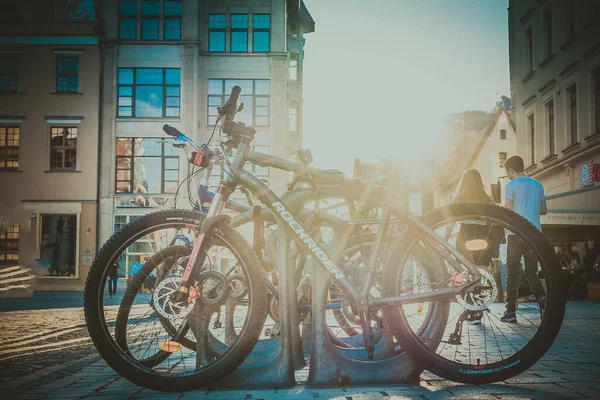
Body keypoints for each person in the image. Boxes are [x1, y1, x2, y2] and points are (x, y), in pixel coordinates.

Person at [453, 169, 505, 325]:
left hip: (464, 238)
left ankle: (469, 310)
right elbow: (497, 219)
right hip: (483, 239)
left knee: (468, 277)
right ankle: (478, 312)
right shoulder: (487, 199)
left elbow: (451, 218)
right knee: (481, 276)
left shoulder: (458, 198)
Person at [502, 155, 547, 323]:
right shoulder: (538, 185)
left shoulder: (511, 185)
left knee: (512, 273)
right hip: (534, 235)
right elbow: (543, 210)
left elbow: (507, 212)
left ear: (511, 170)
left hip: (515, 235)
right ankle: (542, 300)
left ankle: (510, 312)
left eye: (507, 171)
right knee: (531, 272)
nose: (507, 175)